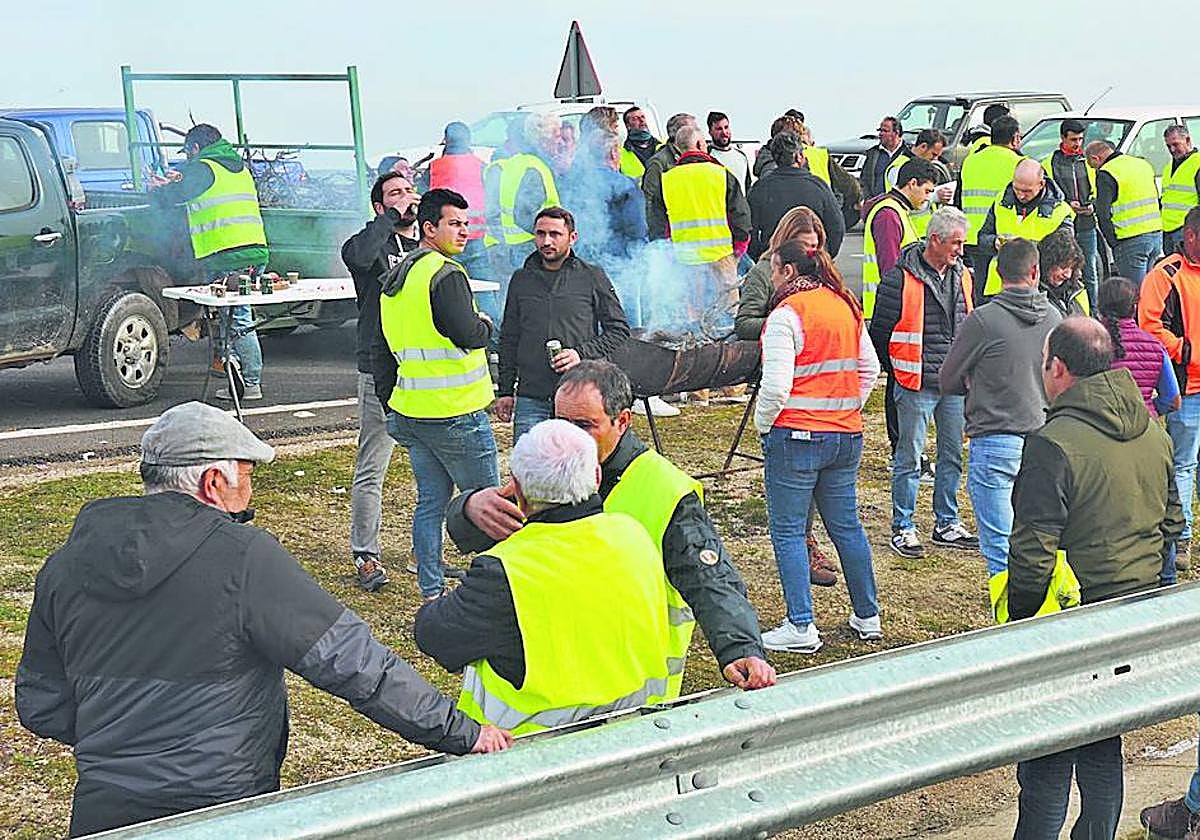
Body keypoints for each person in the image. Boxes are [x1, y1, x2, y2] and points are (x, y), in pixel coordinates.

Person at [14, 402, 511, 837]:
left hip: (104, 810)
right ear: (214, 483)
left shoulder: (64, 565)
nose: (249, 493)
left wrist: (120, 741)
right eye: (247, 476)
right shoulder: (242, 558)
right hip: (221, 809)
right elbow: (356, 664)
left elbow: (40, 702)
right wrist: (461, 731)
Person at [445, 360, 777, 695]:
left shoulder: (663, 489)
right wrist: (469, 508)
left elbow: (710, 579)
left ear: (622, 421)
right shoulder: (553, 462)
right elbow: (489, 528)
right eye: (562, 422)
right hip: (552, 678)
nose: (570, 435)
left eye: (584, 425)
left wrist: (740, 648)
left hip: (630, 689)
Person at [1007, 318, 1182, 840]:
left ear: (1057, 369)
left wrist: (1020, 628)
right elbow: (1174, 524)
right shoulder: (1154, 431)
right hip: (1132, 619)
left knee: (1047, 763)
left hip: (1069, 623)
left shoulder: (1051, 444)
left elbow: (1031, 556)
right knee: (1104, 748)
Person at [416, 419, 670, 734]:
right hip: (638, 732)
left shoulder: (504, 571)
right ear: (596, 475)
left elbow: (433, 635)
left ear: (516, 489)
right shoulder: (635, 534)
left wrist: (469, 507)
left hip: (532, 754)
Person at [754, 238, 882, 653]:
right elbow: (870, 368)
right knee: (846, 526)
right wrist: (844, 409)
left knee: (789, 531)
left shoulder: (785, 315)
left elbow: (775, 387)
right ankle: (867, 615)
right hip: (845, 434)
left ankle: (800, 625)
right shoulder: (845, 305)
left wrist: (763, 427)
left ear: (789, 271)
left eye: (774, 269)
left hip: (796, 435)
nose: (771, 277)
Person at [374, 189, 499, 603]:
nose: (464, 232)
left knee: (431, 502)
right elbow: (467, 334)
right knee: (489, 508)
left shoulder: (398, 276)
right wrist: (485, 326)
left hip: (412, 411)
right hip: (455, 412)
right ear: (429, 228)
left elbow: (385, 349)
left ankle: (431, 589)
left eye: (466, 224)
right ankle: (495, 592)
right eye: (454, 224)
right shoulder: (446, 275)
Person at [939, 238, 1061, 580]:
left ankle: (1011, 624)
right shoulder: (1054, 316)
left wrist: (973, 382)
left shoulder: (983, 320)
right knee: (1038, 545)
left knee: (999, 550)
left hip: (994, 440)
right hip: (1042, 439)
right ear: (1035, 271)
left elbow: (947, 378)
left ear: (996, 271)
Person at [735, 206, 844, 588]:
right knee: (792, 486)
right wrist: (787, 325)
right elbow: (743, 324)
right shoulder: (764, 273)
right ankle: (802, 543)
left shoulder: (824, 275)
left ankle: (808, 537)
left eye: (816, 246)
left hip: (822, 388)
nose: (811, 254)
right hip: (786, 384)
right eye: (805, 246)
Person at [869, 207, 979, 558]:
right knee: (909, 458)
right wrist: (898, 371)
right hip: (915, 382)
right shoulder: (899, 279)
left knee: (952, 455)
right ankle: (903, 526)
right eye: (956, 243)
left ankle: (946, 522)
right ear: (935, 240)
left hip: (952, 383)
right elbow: (880, 333)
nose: (961, 250)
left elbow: (968, 321)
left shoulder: (962, 275)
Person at [340, 171, 420, 591]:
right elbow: (356, 257)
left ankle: (425, 551)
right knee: (373, 466)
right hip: (379, 368)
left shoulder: (429, 242)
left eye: (409, 190)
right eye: (395, 193)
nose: (406, 197)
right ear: (379, 206)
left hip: (424, 371)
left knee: (433, 464)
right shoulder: (372, 245)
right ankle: (366, 555)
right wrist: (388, 219)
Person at [148, 123, 268, 400]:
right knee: (231, 318)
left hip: (231, 254)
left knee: (238, 319)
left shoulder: (204, 168)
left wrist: (155, 191)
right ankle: (237, 382)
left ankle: (250, 384)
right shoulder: (236, 167)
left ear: (195, 148)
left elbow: (174, 197)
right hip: (251, 250)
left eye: (189, 153)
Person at [495, 207, 630, 441]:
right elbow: (509, 337)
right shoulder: (521, 279)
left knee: (580, 470)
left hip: (581, 394)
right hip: (531, 395)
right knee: (531, 470)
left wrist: (580, 354)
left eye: (555, 234)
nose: (546, 241)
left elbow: (618, 330)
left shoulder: (592, 276)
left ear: (572, 237)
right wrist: (505, 391)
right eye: (540, 234)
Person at [862, 158, 937, 466]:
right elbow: (892, 267)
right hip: (890, 310)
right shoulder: (889, 215)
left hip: (892, 306)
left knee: (899, 380)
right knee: (898, 381)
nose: (928, 197)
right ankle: (902, 451)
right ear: (911, 184)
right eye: (927, 190)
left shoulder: (897, 212)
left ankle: (906, 450)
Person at [1139, 207, 1200, 566]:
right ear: (1190, 236)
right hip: (1186, 385)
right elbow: (1150, 327)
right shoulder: (1166, 274)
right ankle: (1183, 538)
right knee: (1183, 463)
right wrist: (1185, 350)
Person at [659, 124, 752, 337]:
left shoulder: (668, 179)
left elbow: (660, 222)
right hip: (722, 256)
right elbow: (740, 215)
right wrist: (740, 246)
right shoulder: (720, 174)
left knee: (692, 317)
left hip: (685, 258)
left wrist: (667, 250)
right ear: (701, 144)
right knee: (728, 314)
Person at [977, 159, 1075, 298]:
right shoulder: (1001, 202)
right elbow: (982, 238)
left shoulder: (1060, 211)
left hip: (1041, 289)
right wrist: (995, 242)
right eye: (1017, 189)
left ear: (1041, 184)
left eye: (1027, 191)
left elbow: (1063, 254)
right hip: (998, 287)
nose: (1021, 195)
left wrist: (1025, 249)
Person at [484, 113, 562, 276]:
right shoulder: (534, 167)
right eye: (556, 135)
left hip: (506, 248)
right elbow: (523, 214)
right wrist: (552, 237)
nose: (559, 141)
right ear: (543, 139)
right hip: (526, 248)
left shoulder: (518, 163)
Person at [747, 132, 844, 261]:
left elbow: (748, 229)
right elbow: (837, 227)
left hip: (775, 262)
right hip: (810, 260)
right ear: (799, 156)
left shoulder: (760, 188)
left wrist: (760, 256)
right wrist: (824, 255)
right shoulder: (819, 187)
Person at [561, 130, 648, 271]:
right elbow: (637, 230)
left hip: (581, 259)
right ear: (613, 153)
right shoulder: (625, 185)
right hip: (617, 262)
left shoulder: (574, 182)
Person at [1098, 275, 1180, 418]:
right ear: (1134, 307)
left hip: (1101, 424)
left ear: (1100, 307)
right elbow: (1173, 400)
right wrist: (1149, 409)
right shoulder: (1155, 346)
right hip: (1145, 428)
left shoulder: (1089, 343)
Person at [958, 114, 1022, 292]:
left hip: (972, 236)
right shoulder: (1018, 163)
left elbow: (958, 197)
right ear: (1015, 138)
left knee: (979, 289)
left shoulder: (970, 160)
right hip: (1002, 237)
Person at [1086, 139, 1163, 285]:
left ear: (1096, 158)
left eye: (1093, 166)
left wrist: (1113, 242)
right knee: (1149, 290)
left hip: (1129, 240)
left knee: (1132, 293)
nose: (1094, 170)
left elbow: (1103, 214)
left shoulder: (1106, 173)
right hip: (1155, 235)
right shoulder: (1142, 164)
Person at [1043, 118, 1099, 308]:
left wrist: (1092, 204)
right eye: (1073, 139)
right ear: (1062, 138)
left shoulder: (1088, 161)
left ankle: (1092, 311)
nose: (1077, 144)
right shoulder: (1050, 163)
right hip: (1062, 226)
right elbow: (1048, 195)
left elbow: (1098, 189)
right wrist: (1067, 205)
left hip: (1086, 223)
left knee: (1089, 271)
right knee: (1065, 270)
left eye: (1080, 139)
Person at [429, 121, 489, 280]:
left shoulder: (434, 167)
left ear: (446, 140)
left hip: (445, 238)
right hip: (476, 236)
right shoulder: (481, 166)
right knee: (485, 289)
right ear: (468, 140)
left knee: (450, 288)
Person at [884, 129, 953, 237]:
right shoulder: (899, 166)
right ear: (923, 146)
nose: (935, 159)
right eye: (933, 154)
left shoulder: (923, 166)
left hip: (924, 232)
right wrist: (935, 196)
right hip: (910, 231)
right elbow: (903, 197)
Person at [644, 113, 698, 240]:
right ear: (680, 134)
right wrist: (659, 237)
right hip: (669, 237)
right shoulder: (659, 162)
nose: (698, 134)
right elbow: (649, 200)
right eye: (694, 130)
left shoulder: (697, 159)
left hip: (692, 234)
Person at [1162, 124, 1200, 255]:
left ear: (1188, 140)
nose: (1172, 149)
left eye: (1175, 144)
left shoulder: (1197, 163)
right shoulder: (1168, 167)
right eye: (1168, 146)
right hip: (1168, 230)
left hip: (1188, 230)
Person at [1037, 228, 1090, 317]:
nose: (1068, 275)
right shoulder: (1034, 297)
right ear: (1047, 263)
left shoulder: (1079, 291)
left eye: (1072, 268)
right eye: (1063, 267)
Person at [860, 116, 911, 199]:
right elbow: (864, 180)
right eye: (880, 130)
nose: (880, 134)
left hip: (899, 205)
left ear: (896, 133)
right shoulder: (872, 154)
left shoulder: (908, 154)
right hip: (875, 203)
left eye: (885, 131)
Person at [707, 110, 752, 194]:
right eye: (719, 129)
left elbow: (747, 187)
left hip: (740, 206)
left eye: (726, 127)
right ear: (710, 132)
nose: (724, 132)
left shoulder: (741, 156)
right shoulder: (707, 156)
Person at [621, 106, 662, 182]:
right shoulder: (621, 154)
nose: (642, 120)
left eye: (643, 117)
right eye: (635, 118)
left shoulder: (663, 146)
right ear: (628, 126)